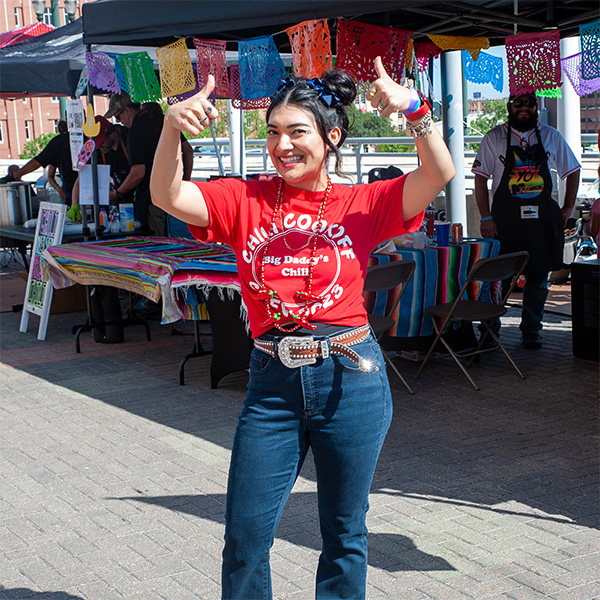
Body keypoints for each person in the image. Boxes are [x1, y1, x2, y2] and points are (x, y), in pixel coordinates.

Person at [151, 57, 454, 600]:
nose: (281, 145)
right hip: (272, 384)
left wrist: (414, 109)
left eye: (297, 131)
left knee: (344, 534)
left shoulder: (364, 202)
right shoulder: (244, 198)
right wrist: (172, 127)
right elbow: (168, 196)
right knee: (245, 538)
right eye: (272, 133)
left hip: (350, 379)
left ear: (331, 136)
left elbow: (439, 174)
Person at [472, 92, 580, 349]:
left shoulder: (552, 136)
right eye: (518, 103)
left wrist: (566, 208)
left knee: (539, 277)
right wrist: (485, 216)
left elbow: (573, 170)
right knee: (498, 279)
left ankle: (531, 330)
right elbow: (480, 178)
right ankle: (490, 329)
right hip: (504, 221)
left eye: (529, 103)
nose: (524, 108)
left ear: (536, 106)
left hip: (541, 221)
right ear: (509, 106)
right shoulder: (494, 137)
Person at [68, 116, 133, 222]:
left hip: (137, 195)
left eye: (102, 142)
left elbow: (138, 172)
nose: (100, 147)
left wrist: (118, 194)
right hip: (118, 201)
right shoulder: (98, 151)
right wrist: (74, 204)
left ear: (111, 133)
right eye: (97, 145)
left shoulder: (129, 137)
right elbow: (82, 179)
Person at [12, 120, 78, 205]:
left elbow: (39, 161)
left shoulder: (57, 143)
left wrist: (20, 172)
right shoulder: (83, 138)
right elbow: (49, 175)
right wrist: (59, 189)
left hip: (70, 189)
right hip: (75, 189)